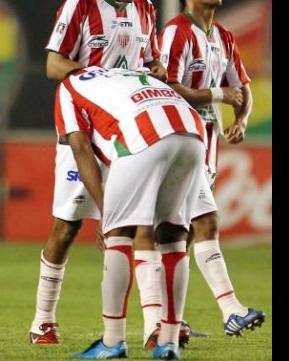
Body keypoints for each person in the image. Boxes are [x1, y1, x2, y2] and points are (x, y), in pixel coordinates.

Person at [29, 0, 167, 345]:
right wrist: (99, 77)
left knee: (142, 225)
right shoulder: (81, 4)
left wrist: (156, 69)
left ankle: (154, 324)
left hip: (128, 133)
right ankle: (43, 319)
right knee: (66, 228)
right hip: (83, 129)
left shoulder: (145, 9)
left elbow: (150, 60)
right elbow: (54, 65)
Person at [59, 67, 207, 360]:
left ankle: (112, 341)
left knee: (119, 233)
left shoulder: (69, 86)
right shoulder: (129, 73)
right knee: (174, 237)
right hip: (193, 129)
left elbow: (80, 148)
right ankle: (169, 342)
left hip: (144, 131)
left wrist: (106, 211)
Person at [155, 0, 265, 338]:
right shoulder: (175, 33)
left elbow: (243, 88)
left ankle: (168, 322)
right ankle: (231, 310)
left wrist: (241, 120)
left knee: (177, 235)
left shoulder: (225, 38)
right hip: (177, 141)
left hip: (206, 144)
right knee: (205, 221)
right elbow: (164, 86)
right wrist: (219, 94)